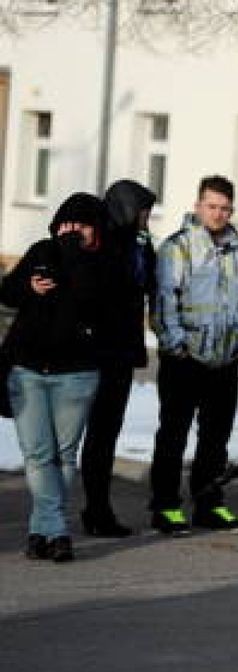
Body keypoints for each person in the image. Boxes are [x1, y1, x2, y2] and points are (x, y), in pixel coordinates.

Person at [1, 193, 117, 562]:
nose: (74, 232)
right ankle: (56, 531)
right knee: (38, 455)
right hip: (28, 371)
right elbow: (7, 294)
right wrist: (29, 288)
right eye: (68, 225)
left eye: (83, 225)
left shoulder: (104, 263)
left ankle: (41, 530)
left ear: (97, 230)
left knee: (64, 456)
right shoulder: (40, 252)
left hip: (77, 375)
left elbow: (92, 303)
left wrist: (73, 255)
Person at [148, 175, 238, 535]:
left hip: (225, 359)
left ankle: (209, 501)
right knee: (174, 433)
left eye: (225, 208)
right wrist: (176, 345)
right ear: (198, 206)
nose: (218, 214)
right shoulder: (177, 248)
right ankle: (165, 505)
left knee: (216, 436)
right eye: (212, 206)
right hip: (184, 359)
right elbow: (165, 301)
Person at [78, 180, 157, 538]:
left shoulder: (138, 246)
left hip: (121, 353)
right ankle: (80, 510)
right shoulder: (100, 245)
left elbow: (149, 284)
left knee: (105, 434)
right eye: (143, 212)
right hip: (97, 353)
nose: (147, 220)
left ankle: (98, 508)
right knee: (87, 435)